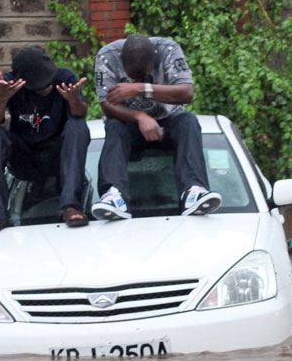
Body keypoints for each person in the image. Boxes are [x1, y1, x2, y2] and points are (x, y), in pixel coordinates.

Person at [92, 34, 221, 221]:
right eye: (133, 77)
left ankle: (193, 191)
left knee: (188, 121)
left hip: (168, 120)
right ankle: (114, 196)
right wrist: (139, 116)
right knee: (113, 127)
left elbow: (187, 92)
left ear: (154, 60)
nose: (139, 78)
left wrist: (140, 88)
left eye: (144, 75)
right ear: (121, 60)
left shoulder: (168, 50)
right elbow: (106, 105)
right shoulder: (107, 56)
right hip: (128, 124)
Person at [0, 46, 90, 240]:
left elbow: (80, 114)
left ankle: (70, 206)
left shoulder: (65, 78)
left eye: (48, 85)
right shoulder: (8, 84)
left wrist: (74, 101)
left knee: (78, 126)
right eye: (40, 87)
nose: (46, 90)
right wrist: (2, 98)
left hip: (57, 156)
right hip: (24, 158)